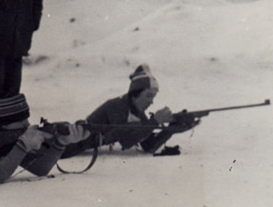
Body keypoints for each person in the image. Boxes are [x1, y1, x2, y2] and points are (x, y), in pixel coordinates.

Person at [60, 64, 190, 159]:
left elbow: (148, 145)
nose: (151, 102)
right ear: (135, 94)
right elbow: (126, 141)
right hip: (68, 146)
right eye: (148, 96)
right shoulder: (117, 106)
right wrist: (155, 121)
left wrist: (172, 129)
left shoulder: (137, 111)